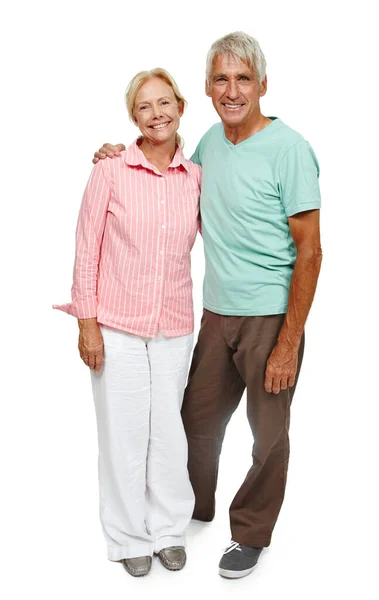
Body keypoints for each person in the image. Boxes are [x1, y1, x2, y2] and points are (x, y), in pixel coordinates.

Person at [93, 31, 323, 579]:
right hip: (215, 316)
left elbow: (311, 250)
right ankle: (187, 513)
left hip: (271, 316)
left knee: (268, 435)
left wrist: (289, 342)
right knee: (193, 423)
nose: (233, 89)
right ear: (207, 89)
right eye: (221, 78)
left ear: (263, 84)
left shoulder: (290, 148)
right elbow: (166, 180)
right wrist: (113, 155)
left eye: (243, 78)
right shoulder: (208, 149)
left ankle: (250, 532)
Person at [53, 68, 202, 578]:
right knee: (122, 431)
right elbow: (85, 249)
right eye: (145, 106)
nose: (157, 113)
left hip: (175, 323)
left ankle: (168, 530)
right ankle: (127, 536)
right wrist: (85, 323)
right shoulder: (111, 169)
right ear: (132, 116)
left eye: (165, 103)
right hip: (115, 323)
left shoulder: (196, 174)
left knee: (168, 431)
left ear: (181, 107)